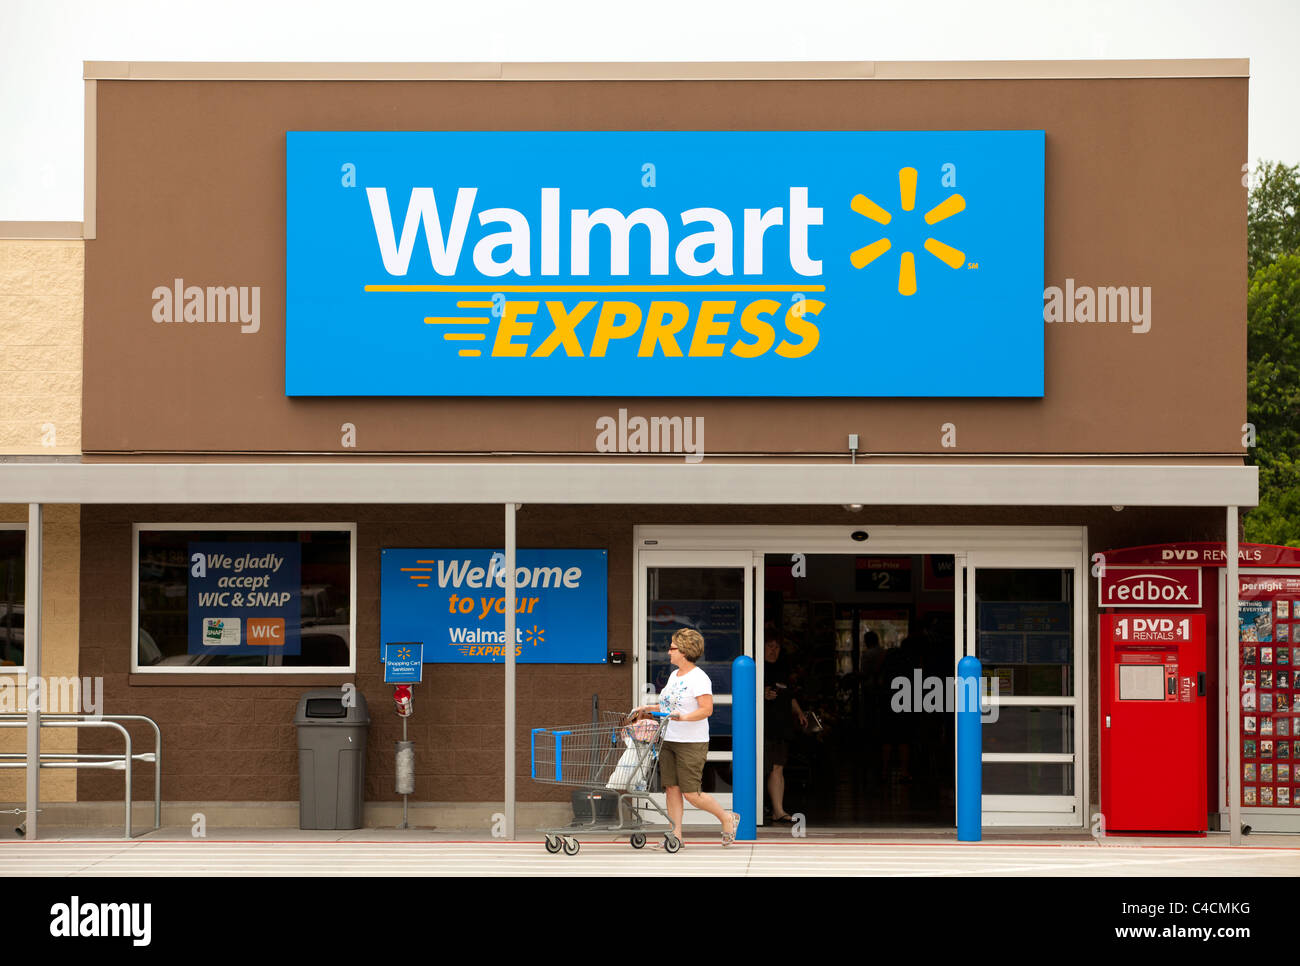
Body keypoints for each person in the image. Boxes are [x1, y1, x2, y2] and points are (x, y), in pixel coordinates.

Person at [635, 627, 739, 847]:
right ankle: (676, 835)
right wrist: (648, 707)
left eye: (672, 648)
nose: (668, 652)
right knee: (671, 788)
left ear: (684, 651)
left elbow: (706, 709)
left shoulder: (699, 678)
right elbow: (668, 706)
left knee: (691, 793)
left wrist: (683, 718)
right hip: (669, 739)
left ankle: (726, 817)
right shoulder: (674, 675)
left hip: (691, 742)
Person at [764, 627, 806, 823]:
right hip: (763, 726)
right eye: (769, 646)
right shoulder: (756, 668)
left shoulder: (782, 669)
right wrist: (763, 694)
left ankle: (778, 810)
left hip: (781, 725)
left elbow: (789, 696)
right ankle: (762, 808)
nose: (773, 650)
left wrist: (799, 712)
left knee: (778, 767)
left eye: (777, 647)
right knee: (763, 768)